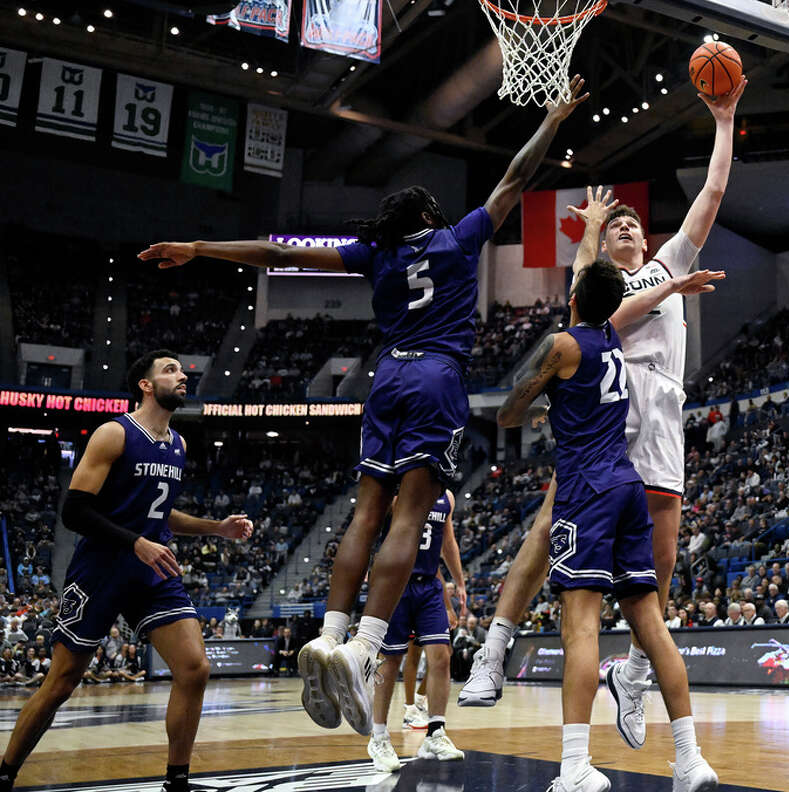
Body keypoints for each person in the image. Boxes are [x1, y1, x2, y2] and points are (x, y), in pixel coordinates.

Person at [139, 80, 589, 736]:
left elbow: (279, 253)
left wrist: (203, 250)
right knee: (410, 513)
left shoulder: (372, 252)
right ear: (431, 216)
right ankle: (364, 649)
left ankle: (330, 633)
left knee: (367, 509)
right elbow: (516, 177)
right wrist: (551, 119)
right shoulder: (456, 239)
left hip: (386, 379)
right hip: (437, 377)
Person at [460, 73, 747, 743]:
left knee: (665, 554)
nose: (624, 226)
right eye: (614, 223)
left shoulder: (668, 257)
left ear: (645, 241)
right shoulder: (606, 289)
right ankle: (494, 647)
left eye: (630, 223)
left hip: (666, 406)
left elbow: (711, 192)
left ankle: (637, 674)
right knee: (545, 522)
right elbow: (597, 314)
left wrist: (725, 121)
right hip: (609, 408)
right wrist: (596, 237)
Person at [495, 260, 718, 792]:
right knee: (651, 624)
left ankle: (576, 765)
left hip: (586, 490)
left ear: (574, 297)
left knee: (582, 627)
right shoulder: (614, 338)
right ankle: (690, 759)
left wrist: (542, 401)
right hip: (627, 485)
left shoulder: (564, 345)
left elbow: (507, 411)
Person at [0, 351, 253, 792]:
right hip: (102, 568)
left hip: (153, 568)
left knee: (194, 668)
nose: (182, 375)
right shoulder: (114, 433)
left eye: (182, 369)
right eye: (170, 369)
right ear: (146, 384)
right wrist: (134, 541)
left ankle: (177, 781)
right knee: (61, 683)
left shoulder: (178, 444)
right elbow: (74, 511)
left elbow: (161, 514)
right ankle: (5, 771)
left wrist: (217, 528)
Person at [368, 490, 468, 771]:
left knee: (442, 656)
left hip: (429, 585)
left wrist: (459, 582)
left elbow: (448, 542)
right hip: (396, 582)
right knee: (390, 661)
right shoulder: (397, 489)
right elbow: (370, 528)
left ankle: (435, 731)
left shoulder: (445, 495)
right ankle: (378, 736)